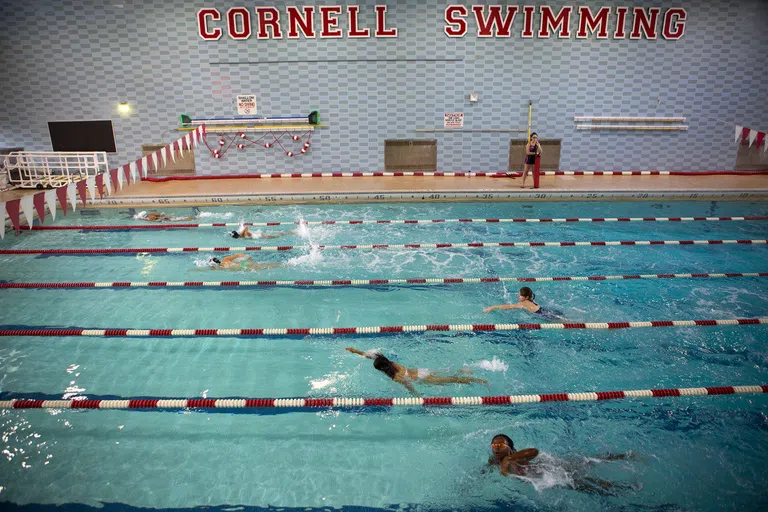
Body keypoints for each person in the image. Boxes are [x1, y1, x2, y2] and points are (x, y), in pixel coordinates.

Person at [487, 434, 639, 496]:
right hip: (549, 471)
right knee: (589, 474)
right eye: (494, 445)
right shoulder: (494, 461)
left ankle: (626, 461)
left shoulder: (514, 457)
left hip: (552, 472)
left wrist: (508, 459)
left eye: (500, 445)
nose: (496, 448)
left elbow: (534, 451)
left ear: (510, 448)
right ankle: (623, 488)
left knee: (590, 473)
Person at [345, 347, 488, 395]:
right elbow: (375, 357)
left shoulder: (395, 376)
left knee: (451, 380)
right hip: (421, 371)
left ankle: (477, 380)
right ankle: (461, 370)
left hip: (423, 379)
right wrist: (356, 351)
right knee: (447, 375)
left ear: (382, 369)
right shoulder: (393, 364)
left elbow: (408, 385)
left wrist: (417, 395)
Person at [484, 287, 560, 318]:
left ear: (526, 297)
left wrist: (494, 307)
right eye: (519, 294)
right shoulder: (531, 300)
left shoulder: (523, 303)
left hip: (544, 315)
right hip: (545, 310)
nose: (518, 296)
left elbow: (509, 307)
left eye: (521, 295)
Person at [204, 253, 283, 271]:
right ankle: (284, 264)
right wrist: (247, 256)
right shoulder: (225, 259)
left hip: (244, 267)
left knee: (267, 267)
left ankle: (287, 264)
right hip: (244, 264)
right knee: (266, 265)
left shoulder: (221, 268)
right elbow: (237, 255)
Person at [231, 223, 295, 240]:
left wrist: (252, 235)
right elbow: (246, 229)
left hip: (262, 236)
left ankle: (292, 232)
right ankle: (291, 232)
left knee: (278, 235)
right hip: (261, 235)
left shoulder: (244, 235)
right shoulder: (243, 235)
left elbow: (246, 229)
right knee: (279, 234)